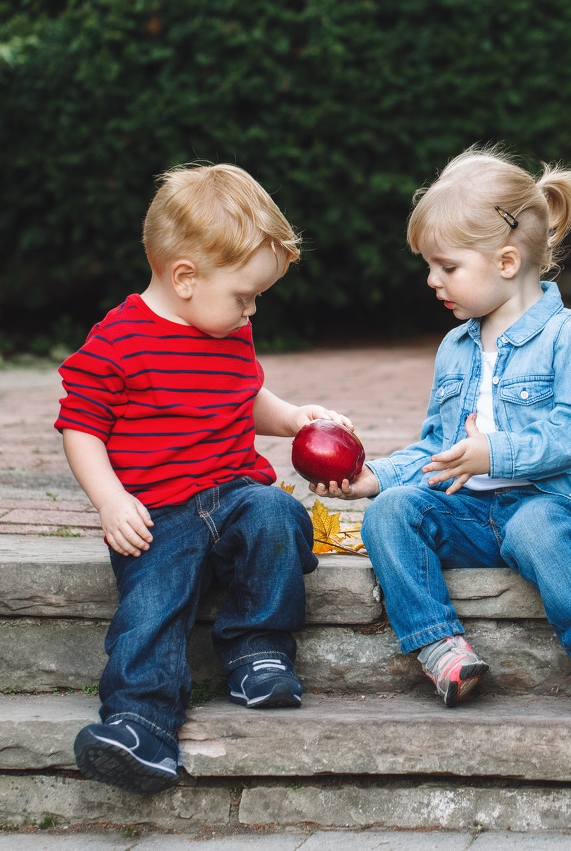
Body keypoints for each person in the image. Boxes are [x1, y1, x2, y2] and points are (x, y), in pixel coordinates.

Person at [313, 146, 571, 714]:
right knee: (391, 513)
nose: (430, 280)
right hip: (471, 515)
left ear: (508, 263)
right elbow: (438, 450)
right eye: (429, 266)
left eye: (447, 267)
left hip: (549, 505)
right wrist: (376, 477)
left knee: (537, 529)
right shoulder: (455, 347)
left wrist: (496, 453)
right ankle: (442, 646)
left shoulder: (568, 335)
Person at [56, 163, 352, 794]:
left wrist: (295, 416)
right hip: (156, 511)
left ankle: (258, 649)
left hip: (235, 494)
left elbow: (245, 399)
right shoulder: (118, 341)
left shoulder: (230, 334)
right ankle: (141, 721)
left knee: (278, 515)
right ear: (185, 278)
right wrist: (110, 501)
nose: (250, 311)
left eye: (255, 299)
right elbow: (80, 427)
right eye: (244, 295)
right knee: (152, 606)